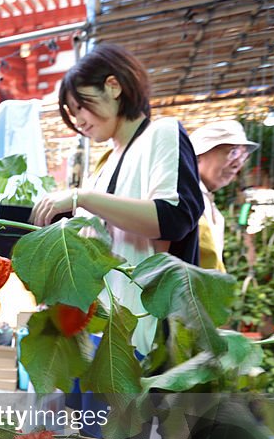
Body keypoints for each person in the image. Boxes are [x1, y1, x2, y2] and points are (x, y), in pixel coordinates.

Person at [31, 43, 202, 356]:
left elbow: (173, 218)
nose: (77, 120)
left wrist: (82, 197)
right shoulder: (105, 164)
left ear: (113, 86)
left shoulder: (162, 133)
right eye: (72, 112)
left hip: (145, 335)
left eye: (79, 106)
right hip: (104, 328)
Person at [189, 119, 259, 273]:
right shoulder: (186, 200)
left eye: (243, 156)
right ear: (198, 155)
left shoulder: (208, 203)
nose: (237, 164)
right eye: (233, 152)